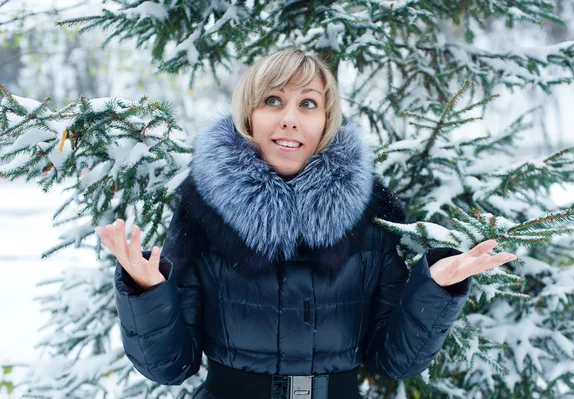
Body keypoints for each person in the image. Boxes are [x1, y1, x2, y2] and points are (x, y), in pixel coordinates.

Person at [95, 48, 516, 399]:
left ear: (326, 120)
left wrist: (435, 290)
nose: (290, 118)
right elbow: (170, 366)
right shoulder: (204, 206)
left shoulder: (368, 209)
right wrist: (148, 293)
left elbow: (394, 360)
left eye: (308, 103)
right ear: (249, 115)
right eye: (273, 101)